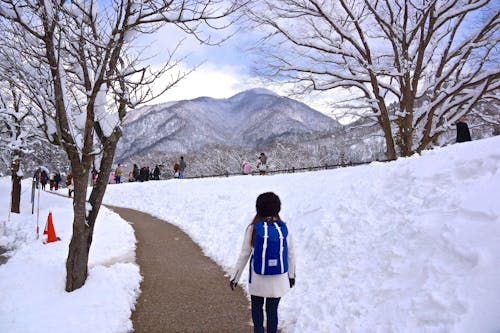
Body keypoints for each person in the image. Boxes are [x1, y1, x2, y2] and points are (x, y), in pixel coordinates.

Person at [230, 192, 296, 333]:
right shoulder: (284, 229)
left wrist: (235, 277)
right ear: (278, 209)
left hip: (258, 279)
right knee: (272, 311)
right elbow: (291, 254)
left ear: (258, 209)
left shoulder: (253, 229)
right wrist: (291, 275)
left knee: (257, 308)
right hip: (278, 280)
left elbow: (244, 254)